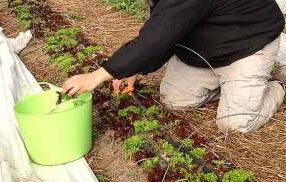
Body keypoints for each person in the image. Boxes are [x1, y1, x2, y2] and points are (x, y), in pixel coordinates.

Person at [62, 0, 286, 133]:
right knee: (174, 101)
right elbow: (169, 27)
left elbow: (159, 36)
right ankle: (235, 85)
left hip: (248, 43)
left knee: (235, 123)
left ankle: (277, 82)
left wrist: (99, 75)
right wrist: (136, 68)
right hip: (207, 45)